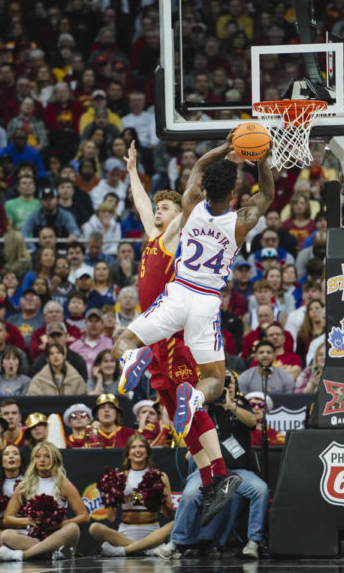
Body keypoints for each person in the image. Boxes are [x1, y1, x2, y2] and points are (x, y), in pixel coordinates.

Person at [114, 134, 271, 520]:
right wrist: (258, 157)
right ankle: (201, 425)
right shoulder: (235, 221)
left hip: (176, 304)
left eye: (163, 207)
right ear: (232, 194)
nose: (157, 211)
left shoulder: (187, 214)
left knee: (126, 342)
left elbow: (199, 168)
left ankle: (134, 360)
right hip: (201, 303)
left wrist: (224, 151)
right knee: (205, 386)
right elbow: (263, 193)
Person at [155, 369, 267, 559]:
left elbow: (252, 421)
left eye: (229, 381)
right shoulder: (204, 405)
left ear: (235, 385)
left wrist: (230, 405)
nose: (226, 385)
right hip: (207, 469)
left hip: (239, 471)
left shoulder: (241, 404)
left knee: (260, 489)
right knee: (190, 494)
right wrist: (207, 399)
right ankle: (175, 543)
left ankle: (253, 542)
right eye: (222, 381)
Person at [0, 442, 89, 562]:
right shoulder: (24, 485)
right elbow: (8, 519)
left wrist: (60, 524)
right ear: (33, 460)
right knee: (6, 535)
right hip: (34, 538)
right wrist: (28, 521)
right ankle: (51, 554)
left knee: (73, 528)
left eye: (47, 456)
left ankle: (24, 555)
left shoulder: (64, 484)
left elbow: (84, 516)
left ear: (54, 459)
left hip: (58, 537)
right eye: (38, 456)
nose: (42, 460)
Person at [89, 434, 174, 556]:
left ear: (147, 452)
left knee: (175, 524)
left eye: (141, 446)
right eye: (133, 447)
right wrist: (112, 496)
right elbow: (111, 517)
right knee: (95, 528)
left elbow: (169, 515)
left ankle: (125, 551)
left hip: (152, 533)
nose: (137, 450)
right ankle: (144, 549)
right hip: (125, 534)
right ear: (128, 453)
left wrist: (161, 498)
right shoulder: (119, 477)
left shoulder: (160, 476)